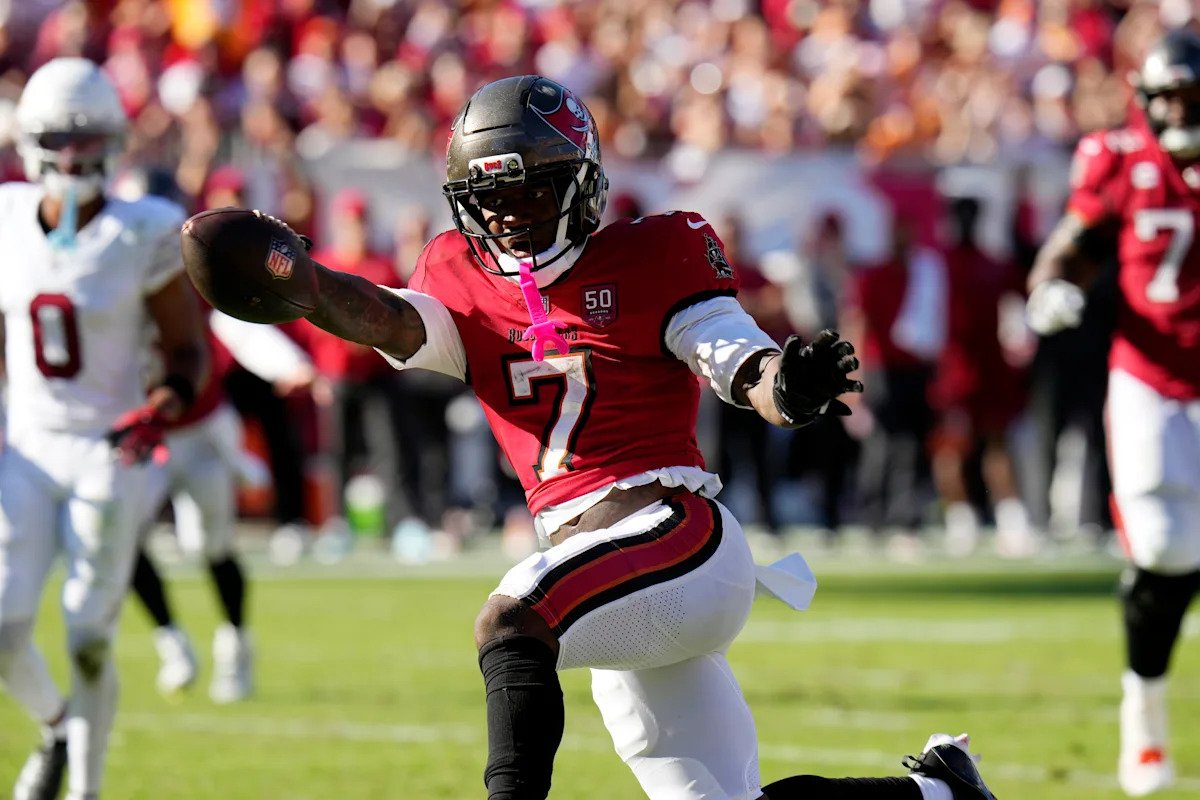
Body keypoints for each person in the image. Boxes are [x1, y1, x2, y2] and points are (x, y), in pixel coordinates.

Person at [206, 75, 997, 800]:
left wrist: (785, 385)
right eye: (491, 197)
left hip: (680, 536)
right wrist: (306, 286)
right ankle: (941, 793)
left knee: (513, 617)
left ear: (579, 183)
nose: (508, 215)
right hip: (602, 573)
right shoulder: (462, 280)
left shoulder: (654, 255)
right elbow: (386, 318)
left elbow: (734, 358)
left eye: (529, 191)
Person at [0, 59, 209, 800]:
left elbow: (186, 349)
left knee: (88, 637)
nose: (74, 153)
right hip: (24, 443)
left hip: (108, 447)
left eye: (88, 136)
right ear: (31, 141)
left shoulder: (140, 228)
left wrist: (164, 402)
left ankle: (84, 791)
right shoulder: (6, 217)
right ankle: (56, 727)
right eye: (60, 137)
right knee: (3, 627)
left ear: (115, 140)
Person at [1027, 30, 1200, 798]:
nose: (1178, 112)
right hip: (1151, 380)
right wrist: (1052, 286)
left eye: (1191, 96)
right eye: (1166, 97)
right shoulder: (1120, 157)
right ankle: (1146, 712)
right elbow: (1074, 243)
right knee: (1162, 547)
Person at [133, 309, 318, 704]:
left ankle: (235, 643)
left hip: (202, 430)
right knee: (120, 540)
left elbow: (232, 321)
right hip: (143, 433)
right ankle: (172, 641)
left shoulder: (175, 280)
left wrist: (287, 364)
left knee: (212, 546)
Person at [929, 196, 1032, 558]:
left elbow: (1024, 301)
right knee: (952, 446)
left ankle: (1011, 520)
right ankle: (961, 521)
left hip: (990, 370)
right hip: (953, 370)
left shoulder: (993, 265)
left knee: (996, 444)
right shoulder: (938, 265)